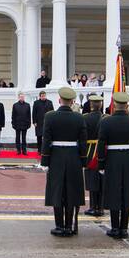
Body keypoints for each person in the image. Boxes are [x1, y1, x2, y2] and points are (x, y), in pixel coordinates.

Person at [41, 87, 87, 237]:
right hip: (74, 158)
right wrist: (83, 161)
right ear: (73, 101)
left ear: (59, 100)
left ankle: (59, 226)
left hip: (56, 158)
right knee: (71, 193)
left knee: (57, 192)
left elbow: (46, 140)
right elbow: (83, 142)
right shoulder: (79, 118)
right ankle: (69, 226)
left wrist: (45, 161)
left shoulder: (50, 116)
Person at [98, 92, 129, 238]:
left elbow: (101, 144)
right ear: (127, 105)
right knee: (127, 191)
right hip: (128, 158)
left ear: (115, 104)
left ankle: (115, 227)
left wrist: (101, 163)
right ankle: (124, 228)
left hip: (112, 158)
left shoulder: (106, 122)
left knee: (114, 191)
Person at [82, 95, 104, 216]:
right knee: (101, 180)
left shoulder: (85, 118)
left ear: (91, 105)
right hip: (101, 151)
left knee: (91, 179)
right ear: (100, 105)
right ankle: (100, 207)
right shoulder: (105, 118)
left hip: (90, 151)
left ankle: (93, 207)